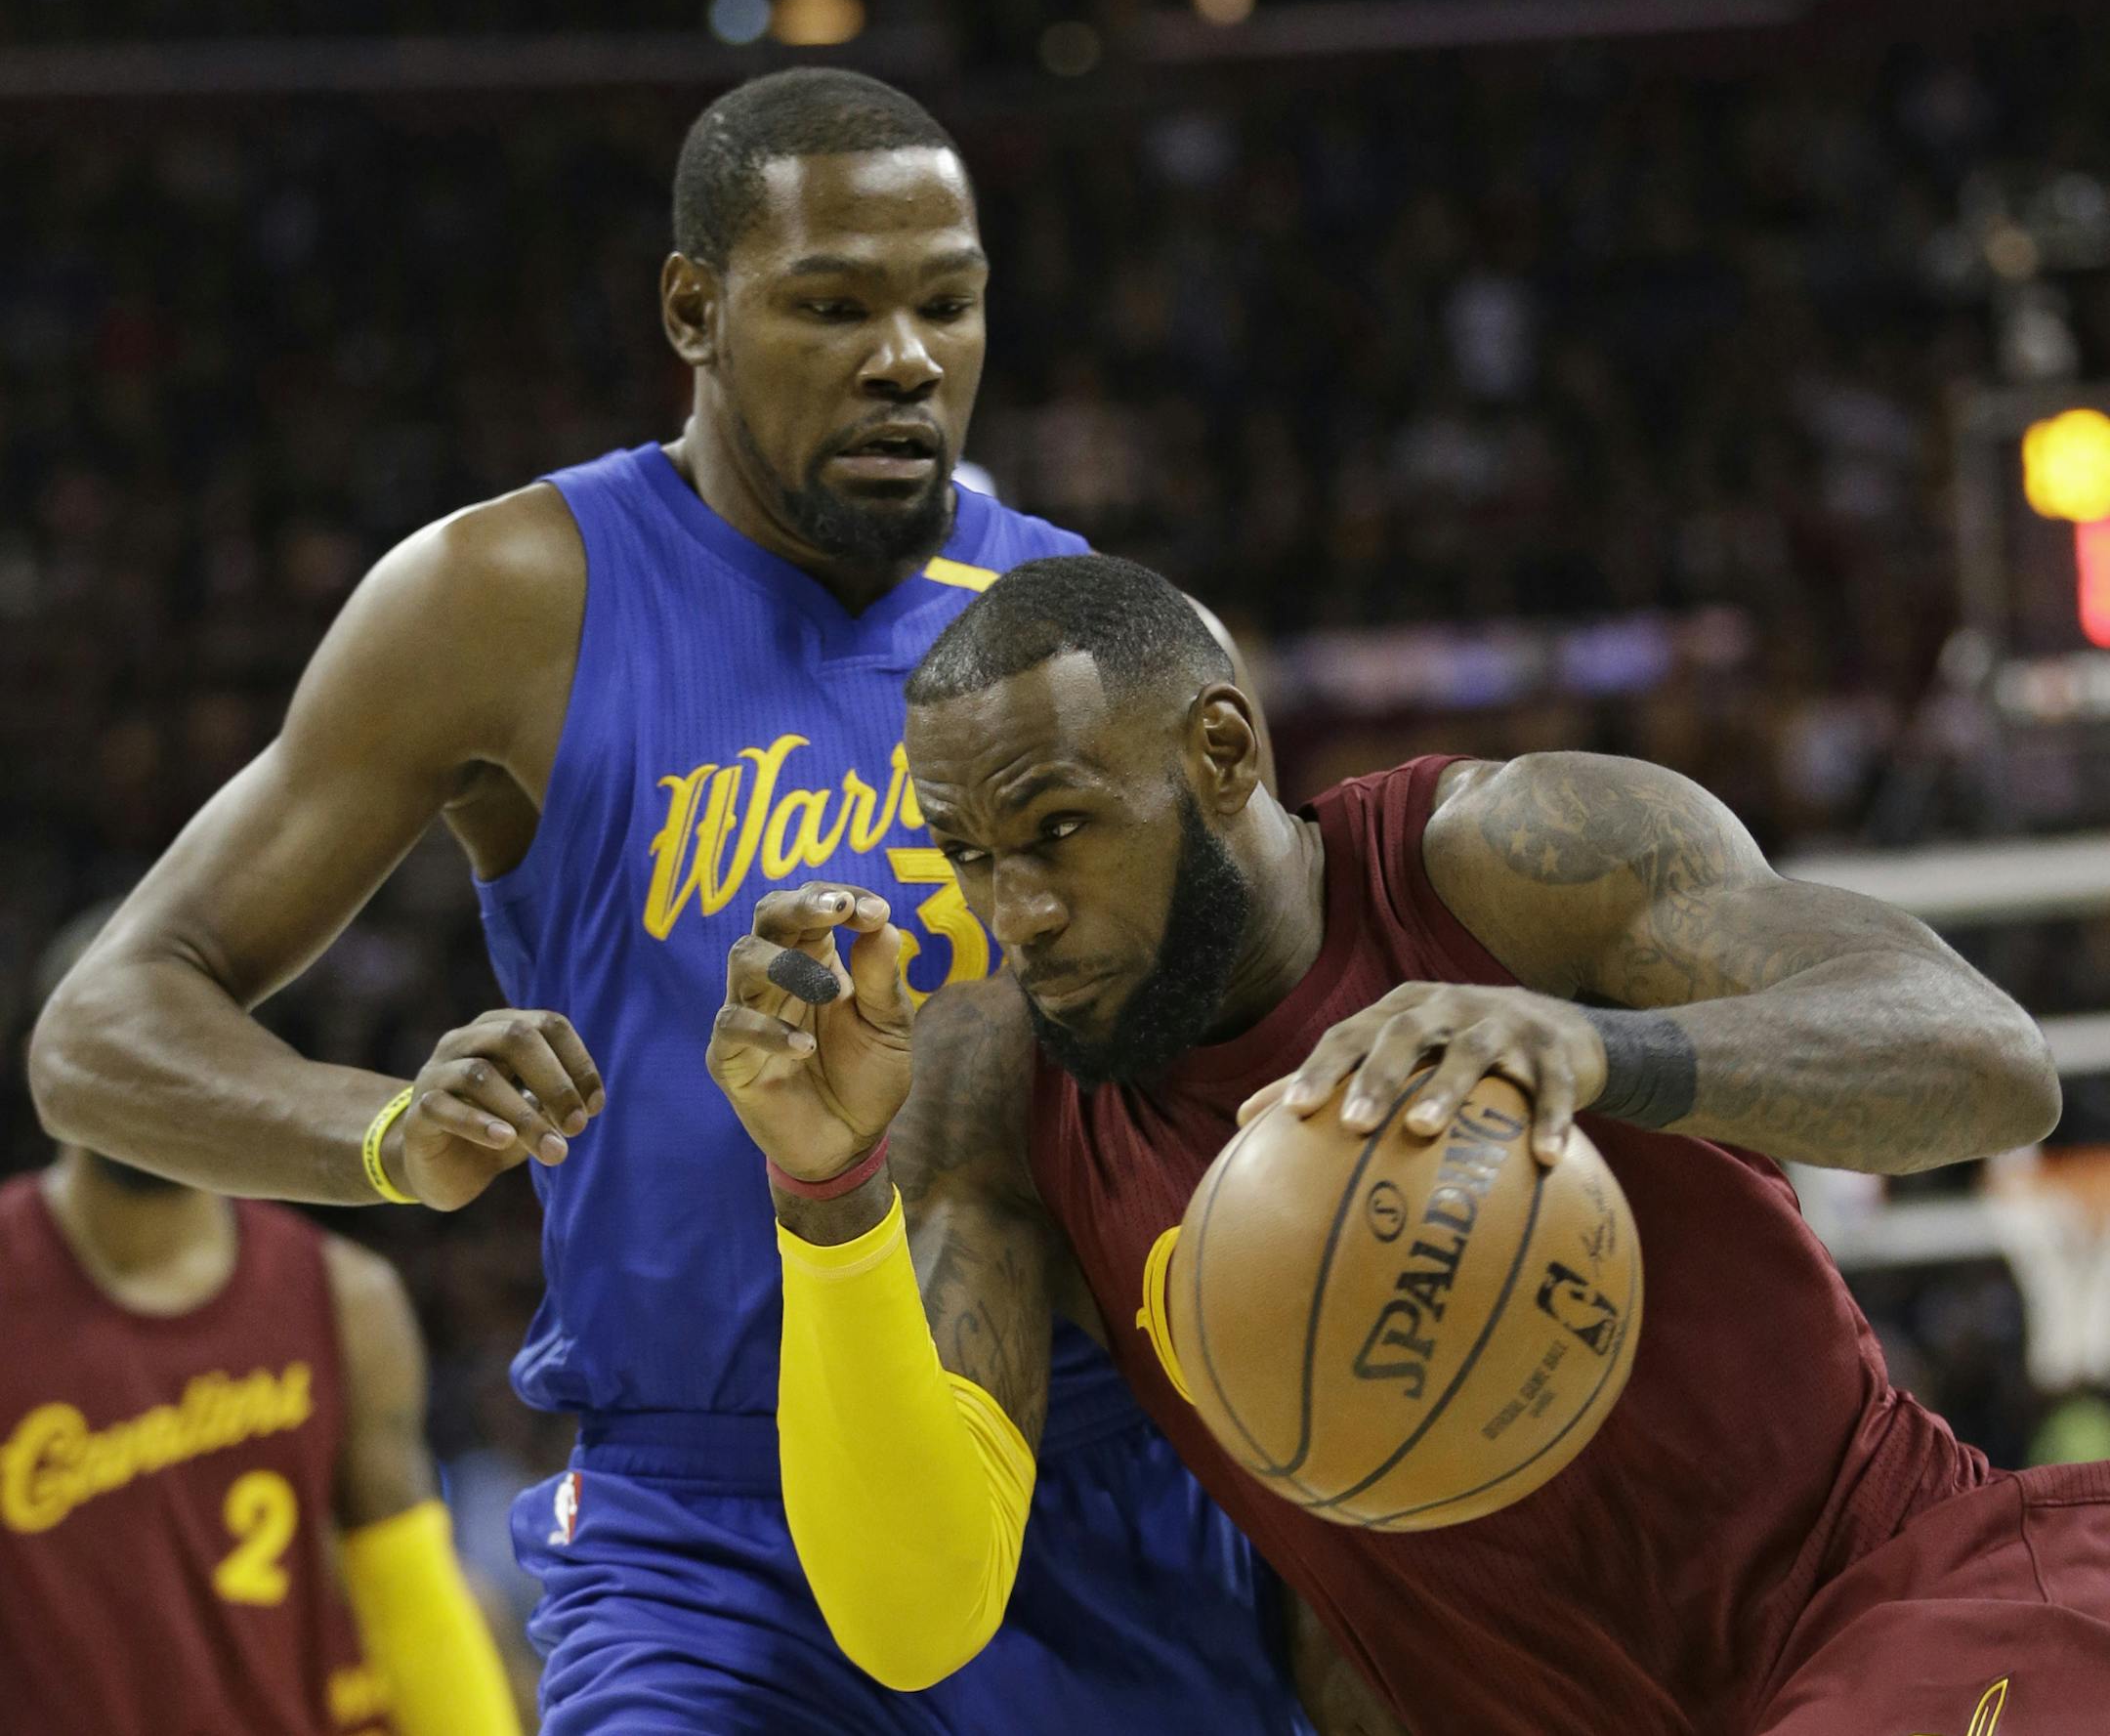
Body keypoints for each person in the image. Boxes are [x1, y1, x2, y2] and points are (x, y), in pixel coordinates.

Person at [29, 69, 1346, 1735]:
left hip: (1088, 1485)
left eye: (950, 302)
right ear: (693, 309)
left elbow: (1270, 1080)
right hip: (700, 1534)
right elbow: (103, 1025)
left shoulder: (1113, 645)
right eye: (833, 304)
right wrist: (384, 1137)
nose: (906, 357)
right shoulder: (504, 599)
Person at [705, 553, 2103, 1736]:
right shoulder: (999, 1092)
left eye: (1060, 829)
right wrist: (825, 1191)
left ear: (1224, 750)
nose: (1016, 910)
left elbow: (1989, 1060)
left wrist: (1597, 1046)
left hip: (1909, 1596)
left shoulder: (1505, 860)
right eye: (967, 853)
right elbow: (908, 1615)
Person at [3, 910, 522, 1736]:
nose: (144, 1075)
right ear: (51, 1058)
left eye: (178, 1045)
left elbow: (414, 1613)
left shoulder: (345, 1298)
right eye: (114, 1047)